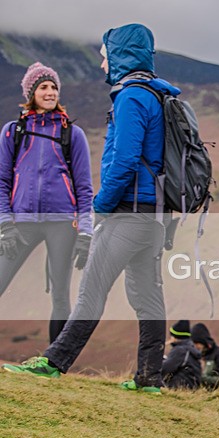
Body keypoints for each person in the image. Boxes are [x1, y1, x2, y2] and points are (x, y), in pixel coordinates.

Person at [2, 23, 180, 394]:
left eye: (104, 56)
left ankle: (53, 362)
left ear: (120, 55)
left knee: (91, 290)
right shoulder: (157, 94)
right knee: (147, 296)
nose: (102, 65)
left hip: (127, 213)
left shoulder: (132, 96)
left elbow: (126, 159)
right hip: (154, 217)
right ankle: (150, 377)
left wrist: (100, 206)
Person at [0, 62, 93, 343]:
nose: (50, 92)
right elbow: (2, 182)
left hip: (63, 224)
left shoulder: (72, 134)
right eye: (43, 87)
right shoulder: (12, 132)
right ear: (31, 92)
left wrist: (86, 231)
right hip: (21, 223)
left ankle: (54, 363)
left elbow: (85, 188)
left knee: (61, 295)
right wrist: (5, 224)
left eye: (54, 87)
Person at [162, 320, 202, 390]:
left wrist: (159, 358)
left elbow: (165, 369)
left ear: (175, 336)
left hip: (180, 388)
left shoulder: (180, 350)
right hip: (191, 388)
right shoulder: (189, 349)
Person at [191, 322, 219, 391]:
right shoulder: (196, 356)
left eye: (197, 343)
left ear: (203, 341)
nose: (195, 346)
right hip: (199, 397)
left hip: (218, 397)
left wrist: (200, 377)